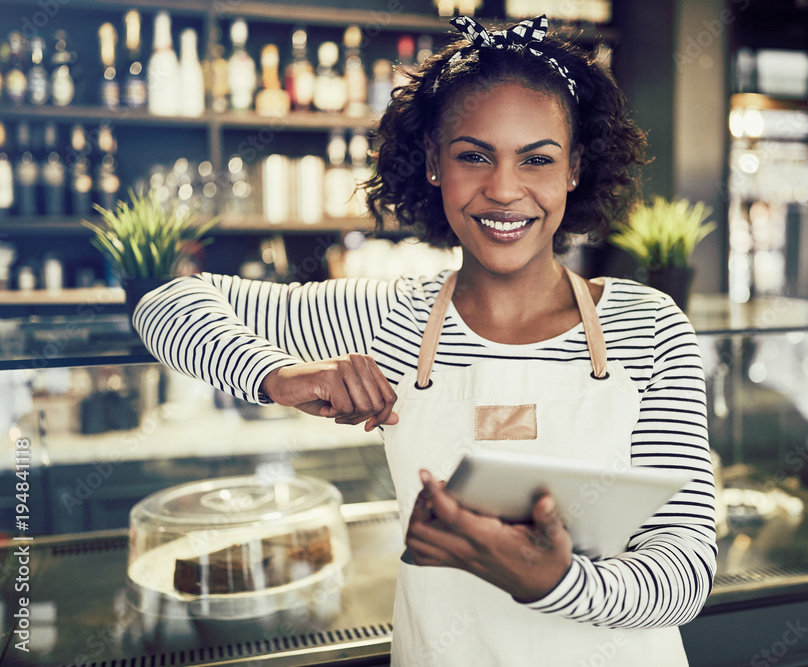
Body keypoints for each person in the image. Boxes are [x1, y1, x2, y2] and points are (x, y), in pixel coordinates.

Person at [133, 15, 716, 666]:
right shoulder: (390, 318)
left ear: (574, 169)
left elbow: (686, 568)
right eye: (474, 154)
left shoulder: (649, 327)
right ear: (436, 164)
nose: (503, 189)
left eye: (537, 159)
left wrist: (555, 582)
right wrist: (281, 376)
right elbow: (168, 302)